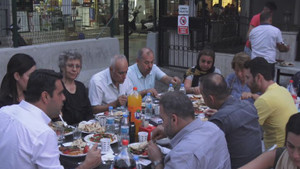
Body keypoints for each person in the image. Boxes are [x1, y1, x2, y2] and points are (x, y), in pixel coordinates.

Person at [0, 69, 101, 169]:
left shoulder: (4, 112)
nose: (64, 98)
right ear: (45, 96)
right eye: (60, 93)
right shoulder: (43, 133)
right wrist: (87, 165)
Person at [148, 91, 231, 169]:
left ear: (174, 119)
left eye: (163, 120)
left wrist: (157, 162)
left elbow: (186, 154)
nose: (162, 125)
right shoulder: (213, 128)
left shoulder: (182, 156)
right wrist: (168, 130)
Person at [199, 73, 262, 169]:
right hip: (259, 164)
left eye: (203, 95)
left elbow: (203, 151)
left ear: (211, 99)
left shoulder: (219, 120)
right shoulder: (248, 106)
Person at [244, 57, 297, 150]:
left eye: (248, 77)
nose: (246, 82)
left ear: (258, 77)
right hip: (288, 149)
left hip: (278, 154)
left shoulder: (265, 100)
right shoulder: (282, 90)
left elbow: (242, 126)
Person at [249, 11, 289, 78]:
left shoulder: (253, 31)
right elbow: (281, 48)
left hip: (255, 62)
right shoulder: (275, 30)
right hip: (269, 62)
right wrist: (287, 48)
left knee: (255, 82)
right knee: (267, 84)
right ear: (270, 19)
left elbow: (251, 46)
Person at [58, 51, 93, 125]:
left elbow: (89, 113)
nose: (74, 69)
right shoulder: (57, 88)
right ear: (62, 67)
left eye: (77, 66)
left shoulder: (81, 87)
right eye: (70, 66)